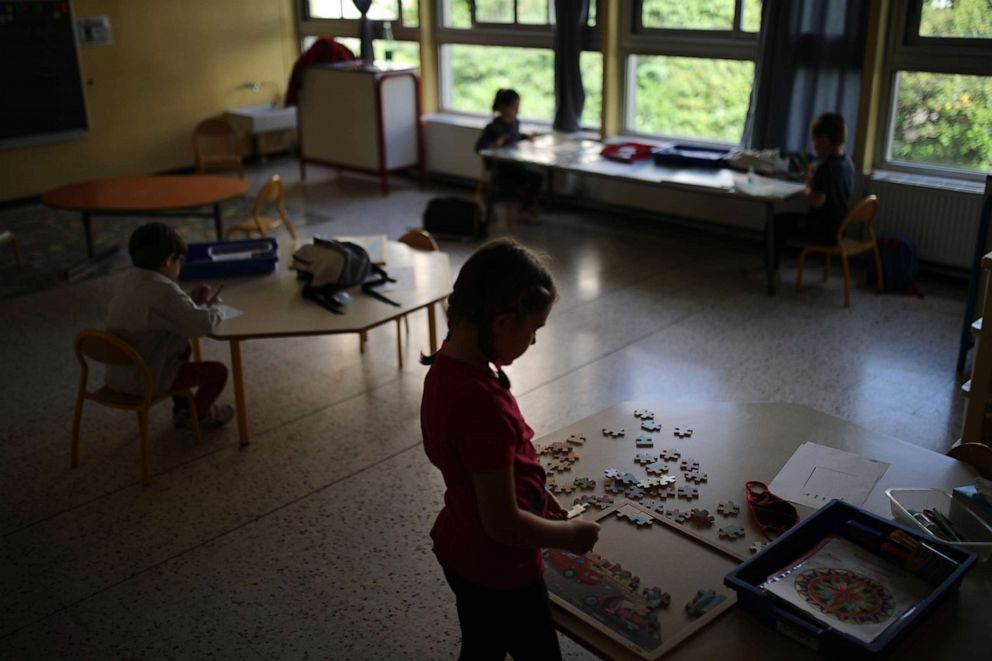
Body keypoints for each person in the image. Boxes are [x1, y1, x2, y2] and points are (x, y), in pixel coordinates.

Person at [420, 239, 600, 660]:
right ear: (501, 323)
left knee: (482, 646)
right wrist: (568, 535)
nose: (535, 342)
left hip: (460, 548)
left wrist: (534, 494)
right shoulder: (484, 408)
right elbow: (502, 525)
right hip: (501, 569)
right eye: (533, 330)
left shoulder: (448, 366)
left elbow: (482, 468)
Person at [105, 222, 234, 428]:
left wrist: (192, 300)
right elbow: (199, 326)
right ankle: (198, 417)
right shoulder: (165, 291)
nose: (179, 266)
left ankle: (182, 406)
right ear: (168, 260)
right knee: (218, 372)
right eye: (179, 261)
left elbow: (166, 314)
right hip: (146, 377)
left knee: (181, 348)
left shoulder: (128, 280)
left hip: (119, 374)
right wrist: (217, 309)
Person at [772, 112, 855, 270]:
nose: (814, 146)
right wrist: (812, 178)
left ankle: (770, 269)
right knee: (783, 221)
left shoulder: (826, 167)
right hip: (839, 228)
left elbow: (817, 202)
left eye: (815, 141)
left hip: (823, 232)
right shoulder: (847, 162)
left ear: (824, 140)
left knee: (777, 223)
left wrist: (807, 186)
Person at [474, 88, 544, 221]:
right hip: (499, 168)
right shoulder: (493, 127)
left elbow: (515, 137)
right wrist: (493, 145)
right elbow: (478, 147)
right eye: (513, 108)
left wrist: (526, 137)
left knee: (537, 177)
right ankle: (488, 200)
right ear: (502, 108)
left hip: (514, 165)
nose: (516, 111)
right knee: (508, 184)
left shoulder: (515, 123)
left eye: (518, 108)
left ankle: (524, 208)